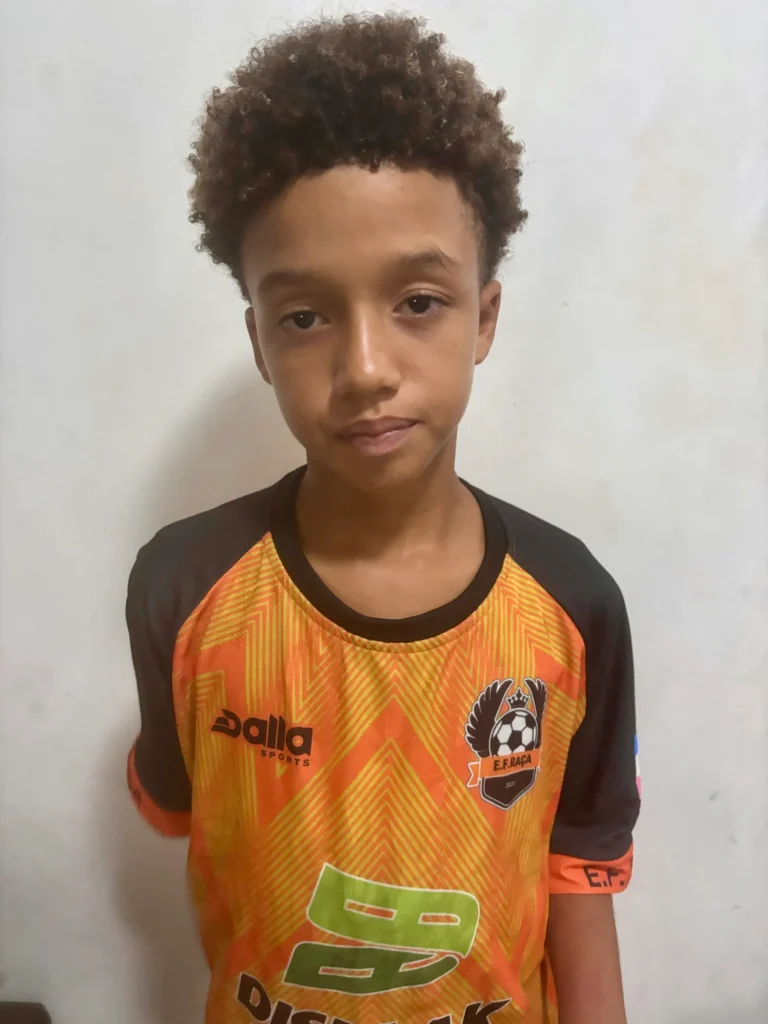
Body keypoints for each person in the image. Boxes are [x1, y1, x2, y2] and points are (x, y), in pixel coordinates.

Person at [126, 13, 640, 1024]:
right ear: (260, 342)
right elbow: (190, 824)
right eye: (306, 316)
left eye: (417, 301)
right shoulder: (182, 589)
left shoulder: (573, 605)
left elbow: (578, 884)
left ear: (484, 317)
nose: (365, 368)